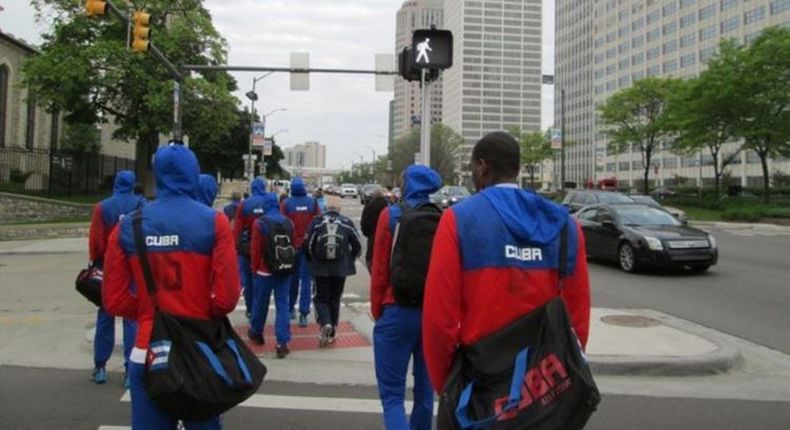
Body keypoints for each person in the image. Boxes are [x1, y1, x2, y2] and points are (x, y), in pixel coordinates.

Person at [422, 131, 591, 396]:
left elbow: (439, 318)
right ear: (517, 168)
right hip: (545, 386)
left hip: (481, 386)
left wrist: (445, 384)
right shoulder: (566, 225)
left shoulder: (458, 220)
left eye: (472, 168)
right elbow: (578, 314)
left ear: (482, 167)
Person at [103, 144, 240, 429]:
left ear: (158, 175)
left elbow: (114, 300)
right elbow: (226, 299)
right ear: (193, 173)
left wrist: (147, 310)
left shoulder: (129, 225)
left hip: (149, 349)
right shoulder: (214, 222)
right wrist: (200, 307)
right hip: (200, 349)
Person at [370, 165, 441, 430]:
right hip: (431, 314)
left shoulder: (391, 215)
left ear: (407, 183)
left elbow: (379, 271)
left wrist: (379, 311)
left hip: (396, 309)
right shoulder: (443, 218)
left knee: (392, 396)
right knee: (425, 393)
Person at [88, 170, 141, 386]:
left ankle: (100, 366)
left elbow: (96, 241)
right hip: (133, 266)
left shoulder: (103, 207)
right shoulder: (140, 205)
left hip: (109, 267)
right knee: (131, 317)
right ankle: (130, 371)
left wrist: (96, 261)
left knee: (105, 314)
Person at [305, 196, 362, 347]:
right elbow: (358, 246)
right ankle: (332, 331)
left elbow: (308, 244)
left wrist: (313, 259)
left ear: (325, 208)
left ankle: (325, 323)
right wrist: (349, 259)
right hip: (340, 268)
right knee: (335, 298)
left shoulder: (317, 222)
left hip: (320, 267)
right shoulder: (346, 222)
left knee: (320, 297)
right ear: (339, 208)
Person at [249, 193, 295, 358]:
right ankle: (282, 342)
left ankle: (257, 332)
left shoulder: (260, 223)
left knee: (261, 304)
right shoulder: (288, 222)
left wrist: (254, 269)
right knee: (282, 305)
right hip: (284, 268)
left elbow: (255, 249)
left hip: (264, 270)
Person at [281, 177, 321, 326]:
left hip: (291, 246)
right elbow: (318, 222)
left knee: (291, 279)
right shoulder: (312, 202)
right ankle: (303, 313)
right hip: (308, 246)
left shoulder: (286, 204)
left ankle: (291, 308)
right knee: (306, 281)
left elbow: (282, 224)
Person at [233, 178, 269, 319]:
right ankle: (259, 309)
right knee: (262, 277)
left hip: (246, 245)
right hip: (264, 246)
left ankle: (249, 309)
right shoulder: (267, 202)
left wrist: (236, 246)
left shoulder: (244, 204)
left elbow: (238, 228)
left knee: (247, 279)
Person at [360, 187, 389, 272]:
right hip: (386, 236)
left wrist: (367, 233)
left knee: (370, 258)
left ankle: (372, 273)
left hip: (372, 235)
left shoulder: (369, 206)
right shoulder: (388, 206)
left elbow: (364, 222)